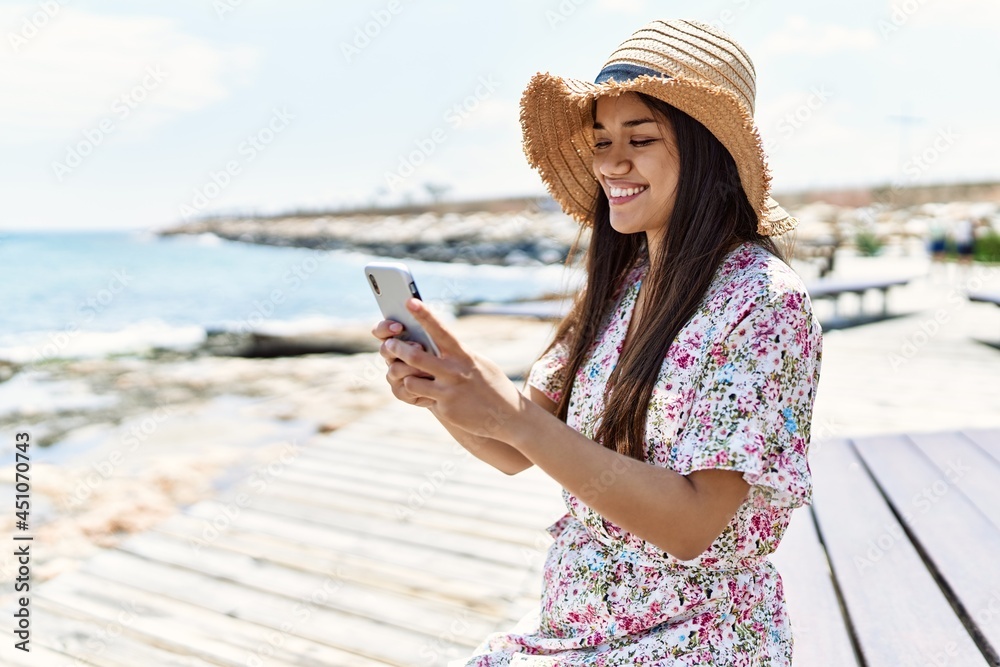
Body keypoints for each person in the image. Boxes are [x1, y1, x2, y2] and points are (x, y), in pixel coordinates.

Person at [371, 18, 823, 666]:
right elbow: (511, 449)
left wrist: (513, 416)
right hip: (577, 619)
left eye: (639, 138)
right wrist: (443, 391)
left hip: (694, 635)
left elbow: (692, 525)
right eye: (601, 138)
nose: (611, 161)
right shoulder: (623, 285)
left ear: (707, 156)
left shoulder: (764, 303)